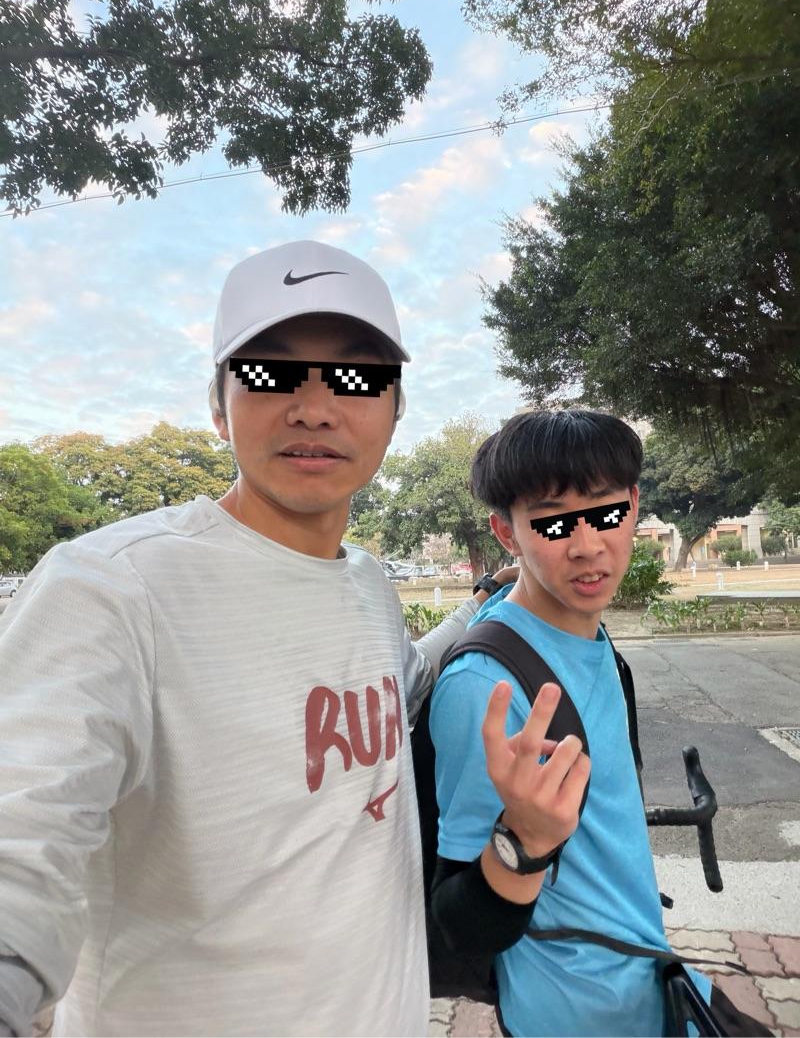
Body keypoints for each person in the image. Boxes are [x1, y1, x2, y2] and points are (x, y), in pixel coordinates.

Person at [0, 240, 515, 1038]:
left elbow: (402, 676)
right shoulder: (111, 589)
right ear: (219, 404)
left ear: (396, 407)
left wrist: (497, 597)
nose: (314, 406)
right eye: (272, 373)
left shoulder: (368, 583)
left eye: (356, 376)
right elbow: (23, 842)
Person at [428, 409, 770, 1037]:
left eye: (606, 512)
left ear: (633, 505)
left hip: (646, 973)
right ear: (506, 532)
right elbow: (461, 924)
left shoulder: (583, 625)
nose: (587, 545)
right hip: (577, 1009)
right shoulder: (486, 686)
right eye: (552, 521)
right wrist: (524, 843)